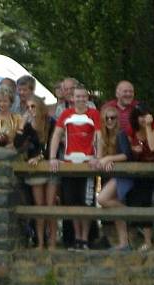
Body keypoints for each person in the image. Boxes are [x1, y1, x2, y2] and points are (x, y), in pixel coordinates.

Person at [49, 84, 101, 250]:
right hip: (69, 164)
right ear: (72, 98)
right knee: (72, 203)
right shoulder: (65, 114)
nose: (80, 99)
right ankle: (77, 237)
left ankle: (85, 239)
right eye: (77, 96)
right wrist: (52, 158)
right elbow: (56, 135)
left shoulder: (94, 114)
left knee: (86, 203)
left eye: (83, 96)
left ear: (87, 98)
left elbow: (99, 137)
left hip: (87, 164)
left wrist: (98, 158)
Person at [15, 96, 57, 249]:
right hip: (35, 169)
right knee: (39, 207)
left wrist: (40, 157)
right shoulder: (27, 125)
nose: (31, 110)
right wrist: (21, 125)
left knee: (50, 206)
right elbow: (17, 144)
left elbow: (53, 144)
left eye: (33, 106)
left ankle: (52, 242)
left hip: (49, 166)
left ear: (40, 106)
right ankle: (40, 243)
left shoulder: (51, 122)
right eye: (28, 107)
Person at [126, 104, 154, 252]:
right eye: (141, 116)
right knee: (144, 202)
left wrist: (148, 127)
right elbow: (128, 148)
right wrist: (133, 149)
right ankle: (147, 241)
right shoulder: (132, 129)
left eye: (146, 115)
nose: (144, 119)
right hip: (142, 170)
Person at [94, 105, 133, 250]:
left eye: (113, 117)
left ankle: (130, 213)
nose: (110, 120)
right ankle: (124, 243)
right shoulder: (101, 136)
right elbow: (99, 157)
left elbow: (126, 155)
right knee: (114, 207)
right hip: (110, 176)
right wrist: (102, 160)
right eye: (107, 118)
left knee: (102, 199)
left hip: (122, 176)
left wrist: (110, 158)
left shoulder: (121, 134)